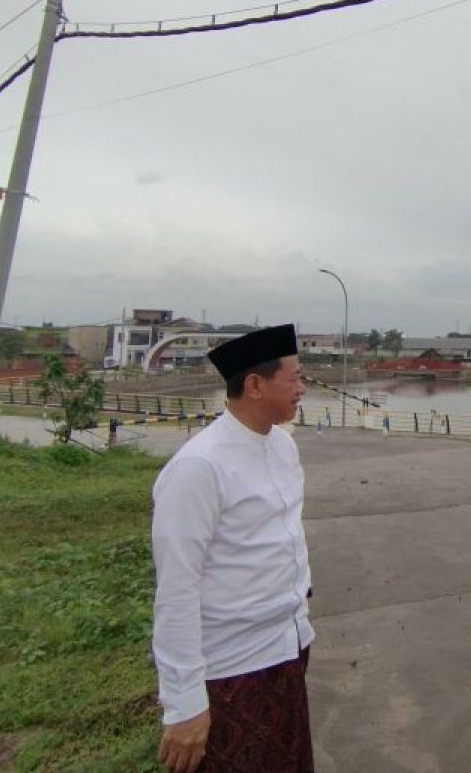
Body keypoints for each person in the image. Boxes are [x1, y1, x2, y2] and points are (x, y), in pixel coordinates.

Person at [151, 324, 315, 773]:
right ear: (255, 385)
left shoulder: (282, 446)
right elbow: (176, 588)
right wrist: (184, 703)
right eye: (295, 378)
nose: (303, 388)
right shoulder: (199, 468)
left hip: (288, 647)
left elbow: (283, 541)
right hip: (232, 668)